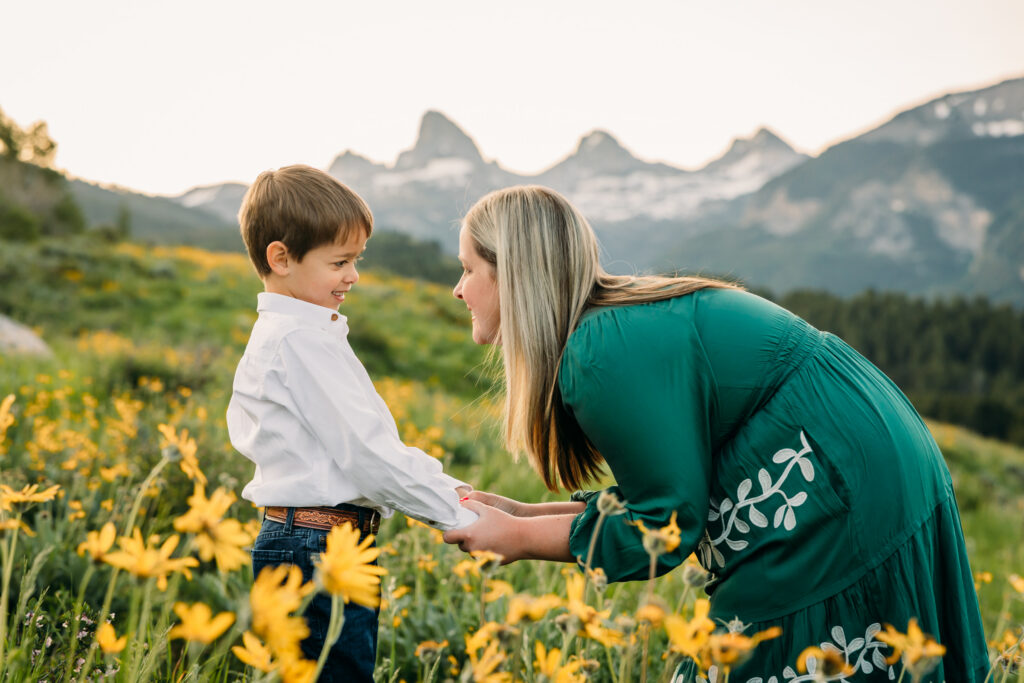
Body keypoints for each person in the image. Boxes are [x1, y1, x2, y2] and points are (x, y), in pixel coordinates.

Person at [442, 185, 989, 682]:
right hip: (850, 442)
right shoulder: (608, 329)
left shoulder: (598, 352)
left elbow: (665, 525)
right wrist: (520, 515)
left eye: (468, 269)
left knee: (761, 655)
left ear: (512, 272)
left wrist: (516, 540)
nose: (457, 289)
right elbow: (663, 490)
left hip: (833, 471)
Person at [227, 164, 477, 682]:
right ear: (281, 258)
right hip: (313, 547)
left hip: (316, 541)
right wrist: (459, 517)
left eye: (356, 260)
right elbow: (367, 455)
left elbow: (375, 447)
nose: (353, 276)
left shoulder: (299, 334)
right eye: (339, 261)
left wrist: (455, 493)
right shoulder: (298, 341)